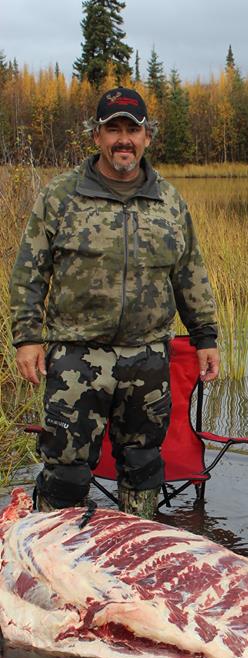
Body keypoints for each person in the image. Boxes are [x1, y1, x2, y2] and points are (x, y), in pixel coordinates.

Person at [10, 87, 219, 519]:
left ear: (147, 137)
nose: (123, 140)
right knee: (65, 470)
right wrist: (27, 338)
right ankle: (53, 559)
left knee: (143, 466)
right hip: (77, 355)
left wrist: (205, 336)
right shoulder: (61, 196)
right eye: (113, 130)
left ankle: (136, 557)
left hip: (147, 357)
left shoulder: (169, 200)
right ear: (97, 136)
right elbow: (30, 271)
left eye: (132, 129)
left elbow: (189, 272)